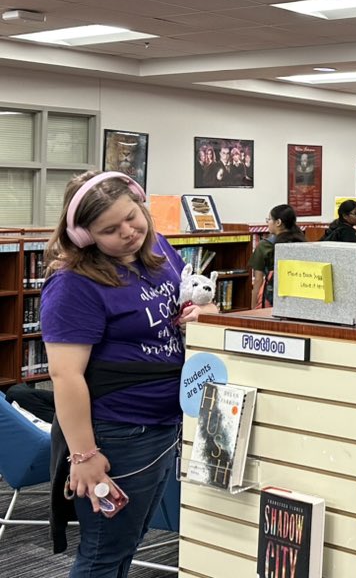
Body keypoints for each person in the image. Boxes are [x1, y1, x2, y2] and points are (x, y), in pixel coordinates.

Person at [40, 170, 218, 574]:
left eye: (131, 216)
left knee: (127, 544)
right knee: (104, 553)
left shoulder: (158, 250)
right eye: (109, 229)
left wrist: (202, 314)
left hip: (164, 422)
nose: (128, 231)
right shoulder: (74, 283)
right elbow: (66, 376)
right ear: (85, 236)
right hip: (118, 430)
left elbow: (186, 307)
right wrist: (85, 456)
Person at [249, 204, 306, 307]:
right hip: (297, 298)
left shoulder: (265, 245)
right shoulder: (302, 241)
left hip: (272, 299)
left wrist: (253, 308)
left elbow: (258, 280)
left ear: (278, 222)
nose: (267, 223)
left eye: (269, 219)